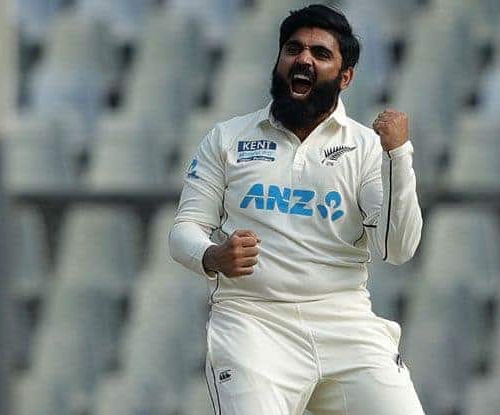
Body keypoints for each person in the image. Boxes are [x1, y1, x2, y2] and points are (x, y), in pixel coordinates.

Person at [169, 4, 424, 414]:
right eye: (293, 49)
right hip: (253, 323)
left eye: (320, 53)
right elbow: (184, 230)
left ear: (345, 77)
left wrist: (397, 155)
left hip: (346, 323)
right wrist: (213, 255)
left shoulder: (365, 148)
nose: (303, 59)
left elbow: (397, 249)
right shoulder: (228, 138)